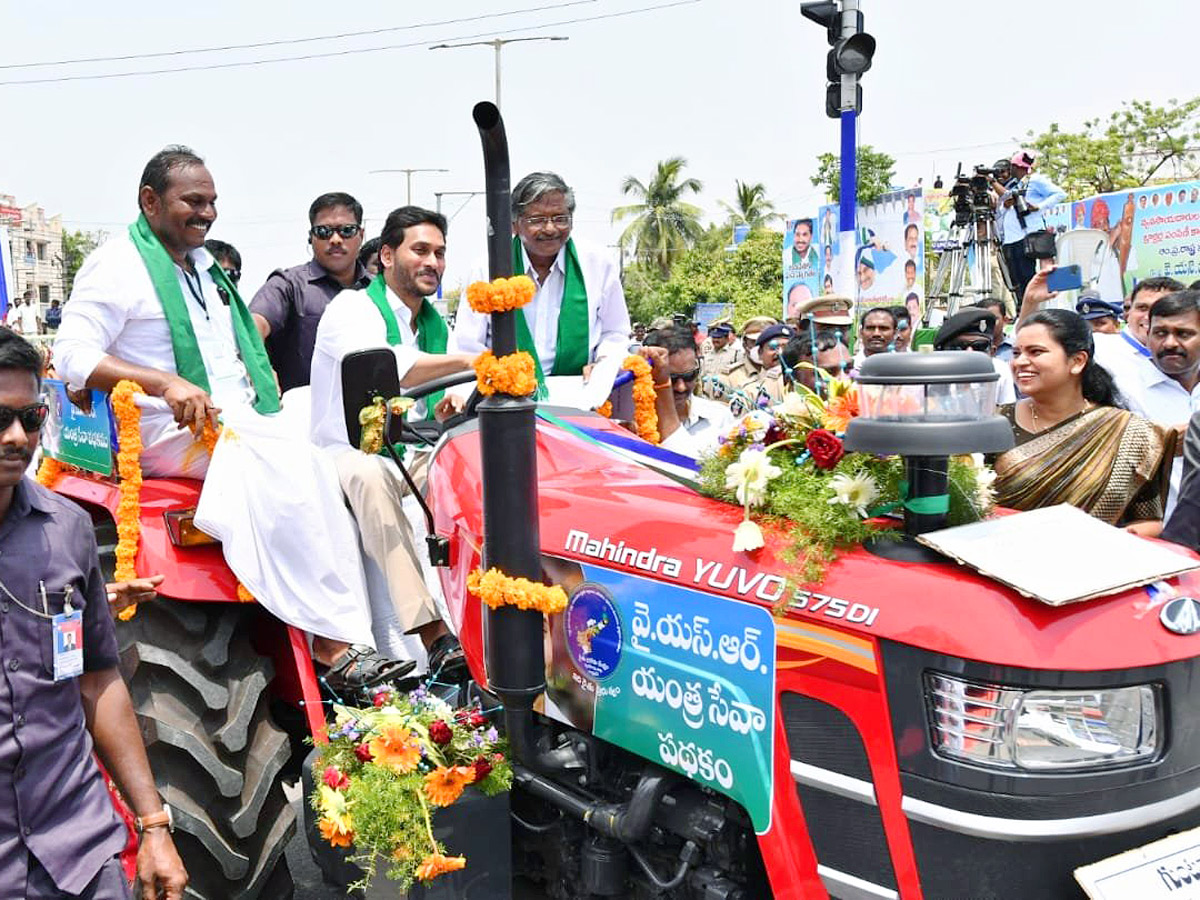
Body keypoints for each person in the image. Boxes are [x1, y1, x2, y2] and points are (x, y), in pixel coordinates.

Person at [52, 146, 403, 694]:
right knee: (295, 463)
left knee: (349, 450)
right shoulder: (117, 265)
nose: (207, 213)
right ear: (150, 201)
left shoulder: (202, 267)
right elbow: (70, 354)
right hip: (164, 428)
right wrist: (164, 382)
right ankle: (331, 644)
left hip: (232, 414)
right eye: (193, 201)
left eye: (212, 202)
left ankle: (404, 637)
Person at [0, 329, 187, 899]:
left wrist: (153, 826)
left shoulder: (68, 529)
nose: (15, 438)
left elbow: (97, 676)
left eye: (30, 418)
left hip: (78, 853)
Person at [311, 206, 475, 674]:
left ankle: (497, 612)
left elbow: (430, 397)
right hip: (347, 452)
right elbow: (392, 363)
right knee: (370, 476)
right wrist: (472, 360)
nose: (433, 263)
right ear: (386, 255)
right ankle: (432, 632)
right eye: (420, 250)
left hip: (414, 450)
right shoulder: (352, 308)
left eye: (440, 254)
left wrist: (450, 403)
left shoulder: (434, 323)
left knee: (474, 466)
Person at [993, 308, 1170, 531]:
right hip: (1002, 555)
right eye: (1017, 353)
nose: (1020, 362)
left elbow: (1149, 520)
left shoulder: (1129, 431)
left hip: (1095, 559)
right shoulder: (995, 423)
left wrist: (1109, 539)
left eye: (1035, 352)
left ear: (1077, 361)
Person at [453, 171, 630, 391]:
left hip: (581, 396)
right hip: (505, 397)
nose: (550, 228)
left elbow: (615, 331)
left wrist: (604, 364)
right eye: (537, 220)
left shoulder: (597, 263)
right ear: (514, 225)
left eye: (560, 218)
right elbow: (467, 345)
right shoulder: (488, 268)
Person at [249, 192, 372, 392]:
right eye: (324, 231)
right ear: (311, 237)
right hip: (304, 415)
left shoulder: (377, 291)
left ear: (361, 234)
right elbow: (252, 326)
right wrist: (260, 369)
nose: (335, 239)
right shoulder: (288, 285)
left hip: (372, 415)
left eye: (346, 230)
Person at [644, 324, 733, 456]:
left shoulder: (720, 418)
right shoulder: (629, 422)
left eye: (688, 376)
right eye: (671, 379)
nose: (681, 387)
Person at [997, 149, 1066, 307]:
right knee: (1017, 280)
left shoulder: (1034, 180)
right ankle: (1023, 309)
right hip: (1011, 239)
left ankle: (1034, 310)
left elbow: (1060, 194)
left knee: (1029, 278)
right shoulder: (1015, 185)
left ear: (1018, 167)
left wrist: (1038, 207)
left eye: (1013, 166)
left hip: (1027, 237)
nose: (1010, 169)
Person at [933, 308, 1017, 403]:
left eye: (979, 346)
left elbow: (1006, 412)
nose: (970, 353)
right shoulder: (936, 373)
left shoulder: (1000, 370)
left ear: (992, 352)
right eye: (960, 346)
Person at [974, 297, 1013, 362]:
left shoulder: (1015, 348)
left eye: (993, 319)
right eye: (984, 320)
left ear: (1005, 320)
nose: (988, 324)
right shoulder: (970, 349)